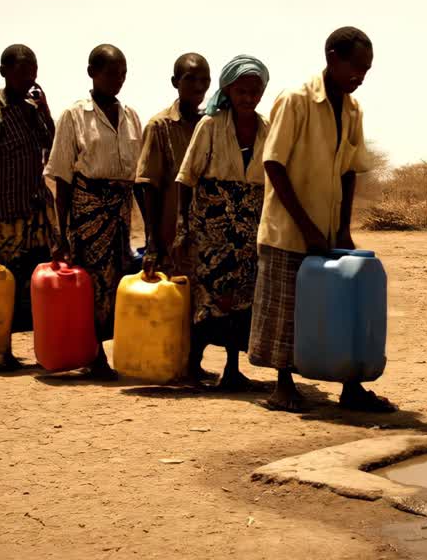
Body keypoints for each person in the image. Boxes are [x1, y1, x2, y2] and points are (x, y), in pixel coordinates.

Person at [252, 27, 394, 413]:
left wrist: (343, 228)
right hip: (287, 227)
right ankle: (283, 386)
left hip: (328, 227)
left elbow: (350, 169)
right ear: (332, 57)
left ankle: (351, 386)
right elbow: (273, 163)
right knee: (286, 311)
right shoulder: (295, 99)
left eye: (367, 69)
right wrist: (305, 226)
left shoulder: (352, 110)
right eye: (355, 66)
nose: (360, 76)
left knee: (339, 305)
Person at [45, 44, 140, 380]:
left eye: (123, 73)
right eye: (112, 72)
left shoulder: (130, 116)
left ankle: (104, 349)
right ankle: (94, 353)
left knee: (116, 280)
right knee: (90, 282)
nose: (118, 79)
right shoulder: (74, 116)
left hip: (120, 210)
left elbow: (137, 176)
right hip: (87, 210)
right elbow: (62, 178)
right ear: (92, 73)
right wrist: (63, 229)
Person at [175, 55, 270, 391]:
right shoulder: (211, 125)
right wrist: (184, 226)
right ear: (229, 90)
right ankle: (192, 364)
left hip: (249, 224)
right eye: (241, 91)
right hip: (211, 223)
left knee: (243, 296)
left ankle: (232, 368)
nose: (248, 98)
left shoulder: (266, 128)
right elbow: (186, 178)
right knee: (210, 295)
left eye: (254, 92)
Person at [0, 44, 55, 369]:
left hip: (35, 214)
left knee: (35, 284)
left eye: (33, 71)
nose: (29, 78)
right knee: (3, 287)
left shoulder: (32, 110)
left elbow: (52, 145)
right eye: (22, 71)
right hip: (2, 215)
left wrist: (44, 109)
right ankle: (1, 349)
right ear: (3, 72)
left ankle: (43, 348)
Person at [136, 52, 210, 376]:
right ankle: (169, 362)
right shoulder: (160, 126)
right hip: (171, 233)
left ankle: (193, 364)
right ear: (174, 83)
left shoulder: (211, 125)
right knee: (172, 301)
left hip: (205, 231)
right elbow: (146, 185)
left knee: (199, 302)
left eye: (204, 79)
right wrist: (153, 240)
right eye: (190, 79)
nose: (198, 85)